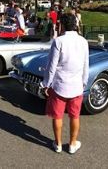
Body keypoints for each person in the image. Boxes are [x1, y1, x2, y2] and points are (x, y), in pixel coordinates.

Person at [40, 14, 89, 154]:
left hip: (59, 85)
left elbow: (51, 66)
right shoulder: (83, 41)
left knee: (58, 116)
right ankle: (73, 144)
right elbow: (86, 65)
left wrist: (46, 84)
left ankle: (59, 143)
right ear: (76, 24)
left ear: (62, 25)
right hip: (77, 85)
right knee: (75, 116)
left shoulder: (59, 41)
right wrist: (84, 83)